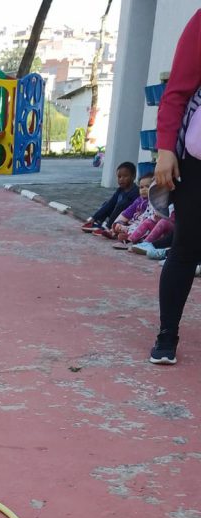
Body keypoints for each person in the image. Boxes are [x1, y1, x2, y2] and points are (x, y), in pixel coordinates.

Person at [149, 8, 201, 364]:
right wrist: (166, 149)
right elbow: (177, 91)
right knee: (186, 246)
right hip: (197, 159)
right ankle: (167, 335)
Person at [81, 162, 138, 232]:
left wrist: (109, 224)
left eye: (125, 176)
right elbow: (110, 203)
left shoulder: (135, 192)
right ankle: (98, 222)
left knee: (121, 205)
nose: (121, 179)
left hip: (126, 219)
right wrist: (94, 217)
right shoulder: (120, 190)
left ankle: (107, 227)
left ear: (133, 176)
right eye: (119, 177)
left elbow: (130, 209)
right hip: (115, 216)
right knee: (107, 204)